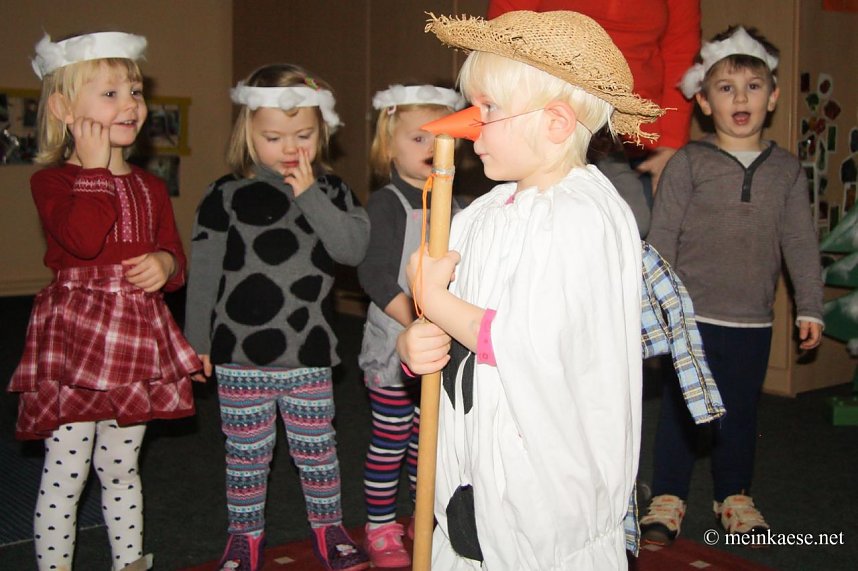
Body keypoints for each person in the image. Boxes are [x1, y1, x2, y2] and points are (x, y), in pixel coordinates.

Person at [397, 11, 665, 569]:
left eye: (488, 109)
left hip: (544, 499)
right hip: (476, 470)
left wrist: (436, 298)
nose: (471, 126)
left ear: (557, 122)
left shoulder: (583, 216)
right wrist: (418, 339)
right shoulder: (485, 212)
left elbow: (524, 341)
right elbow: (452, 320)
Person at [8, 31, 202, 571]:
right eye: (110, 93)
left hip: (133, 338)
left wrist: (165, 265)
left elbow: (174, 261)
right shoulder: (54, 182)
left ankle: (129, 562)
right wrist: (94, 172)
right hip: (78, 339)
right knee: (66, 470)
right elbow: (83, 239)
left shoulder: (150, 186)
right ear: (64, 108)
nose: (130, 105)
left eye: (135, 92)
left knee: (121, 467)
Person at [183, 63, 371, 571]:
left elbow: (351, 248)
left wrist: (309, 192)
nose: (291, 147)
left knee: (318, 451)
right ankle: (244, 537)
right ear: (248, 132)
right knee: (246, 456)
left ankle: (328, 528)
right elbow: (202, 273)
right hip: (239, 354)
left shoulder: (331, 192)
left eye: (304, 134)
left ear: (322, 130)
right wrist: (194, 340)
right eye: (273, 136)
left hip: (306, 351)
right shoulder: (225, 194)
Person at [642, 26, 824, 546]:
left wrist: (809, 305)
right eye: (726, 88)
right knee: (680, 410)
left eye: (753, 86)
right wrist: (653, 308)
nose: (740, 98)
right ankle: (669, 495)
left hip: (752, 319)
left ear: (774, 96)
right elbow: (662, 239)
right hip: (688, 316)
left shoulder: (787, 171)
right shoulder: (689, 162)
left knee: (739, 411)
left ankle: (735, 495)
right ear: (702, 100)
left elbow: (800, 242)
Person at [357, 84, 464, 568]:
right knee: (392, 438)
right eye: (418, 139)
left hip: (441, 346)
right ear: (388, 146)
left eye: (440, 139)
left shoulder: (458, 205)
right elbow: (373, 273)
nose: (432, 150)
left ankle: (426, 518)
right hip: (395, 345)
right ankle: (380, 526)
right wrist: (417, 320)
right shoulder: (387, 204)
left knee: (433, 442)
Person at [487, 0, 700, 230]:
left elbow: (680, 50)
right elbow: (502, 41)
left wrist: (671, 143)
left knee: (636, 225)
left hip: (639, 141)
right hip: (548, 129)